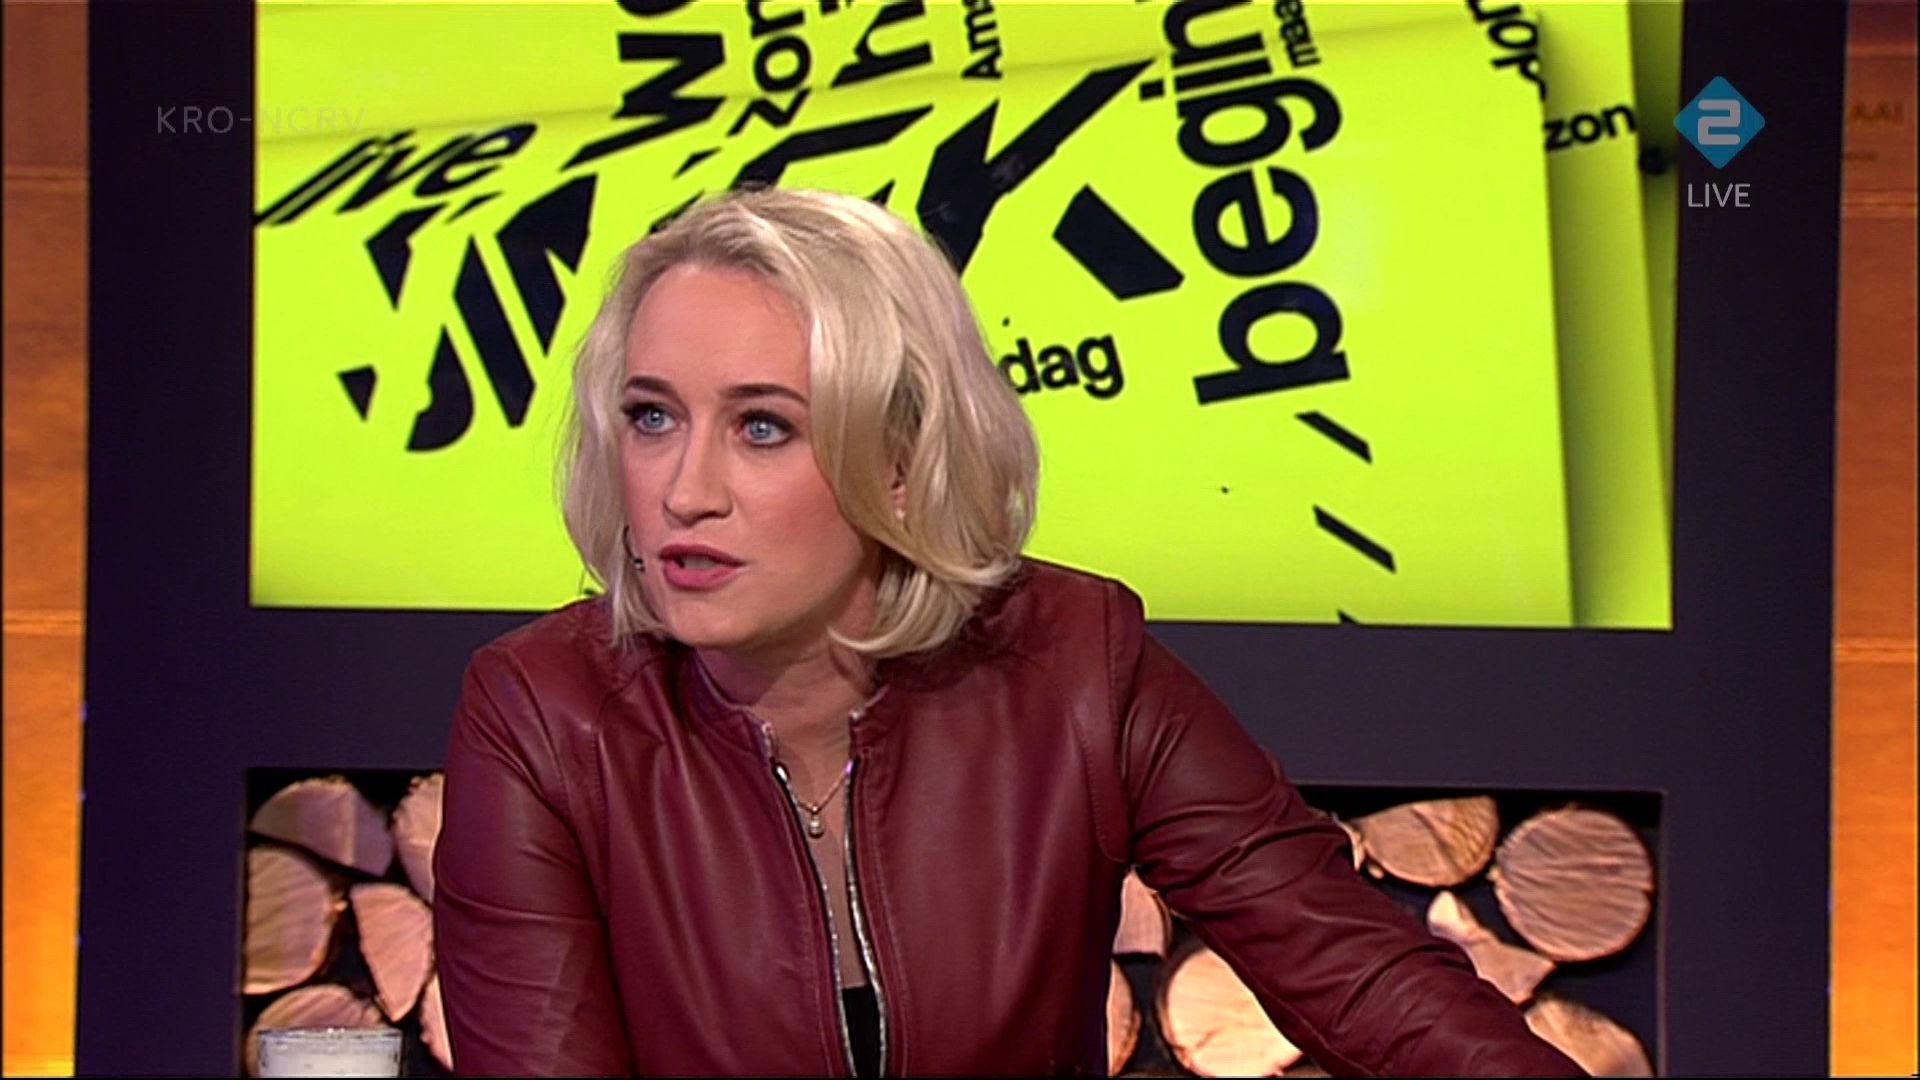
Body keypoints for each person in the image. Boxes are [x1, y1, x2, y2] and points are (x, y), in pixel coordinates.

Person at [432, 186, 1583, 1077]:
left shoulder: (1075, 664)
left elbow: (1368, 985)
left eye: (763, 428)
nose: (685, 492)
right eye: (651, 418)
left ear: (900, 456)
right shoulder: (544, 712)